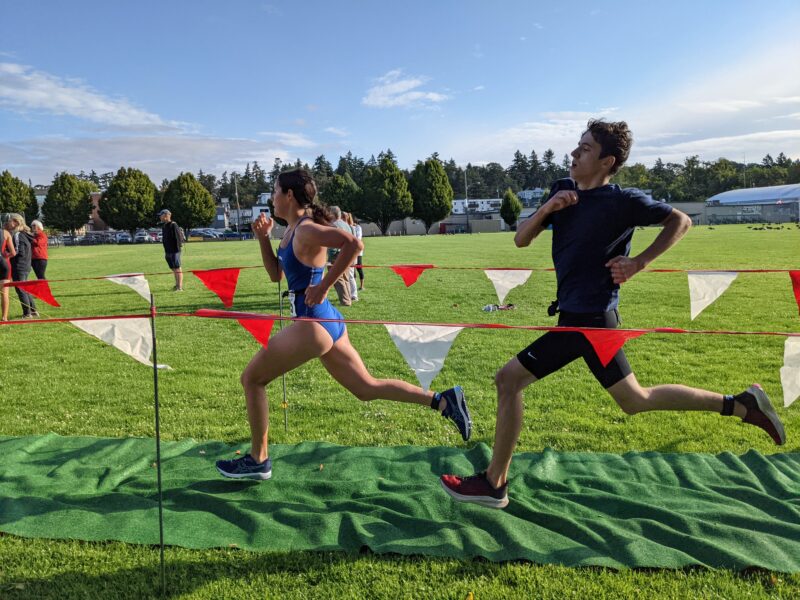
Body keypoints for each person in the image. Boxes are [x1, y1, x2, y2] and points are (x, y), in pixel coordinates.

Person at [441, 119, 786, 509]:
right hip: (578, 318)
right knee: (634, 399)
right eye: (577, 146)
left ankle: (494, 483)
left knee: (508, 380)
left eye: (585, 149)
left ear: (607, 161)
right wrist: (548, 208)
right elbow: (521, 239)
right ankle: (741, 404)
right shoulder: (562, 192)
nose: (574, 154)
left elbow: (681, 220)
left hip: (589, 320)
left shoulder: (624, 202)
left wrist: (639, 262)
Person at [216, 169, 472, 480]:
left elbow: (353, 244)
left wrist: (324, 285)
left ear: (289, 196)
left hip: (313, 323)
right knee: (366, 388)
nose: (271, 197)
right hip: (326, 322)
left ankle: (258, 460)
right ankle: (443, 401)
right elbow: (275, 275)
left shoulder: (307, 229)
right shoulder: (292, 230)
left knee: (252, 379)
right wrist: (261, 239)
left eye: (274, 190)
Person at [4, 213, 37, 318]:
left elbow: (18, 251)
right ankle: (33, 310)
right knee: (24, 288)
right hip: (26, 265)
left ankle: (27, 313)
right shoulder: (24, 233)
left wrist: (8, 254)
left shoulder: (18, 234)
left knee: (20, 289)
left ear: (16, 223)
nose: (8, 223)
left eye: (10, 221)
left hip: (20, 265)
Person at [326, 205, 352, 306]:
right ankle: (348, 297)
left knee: (336, 277)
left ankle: (345, 301)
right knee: (345, 277)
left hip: (337, 254)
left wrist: (330, 256)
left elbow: (332, 243)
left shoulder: (333, 225)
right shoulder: (347, 225)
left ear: (332, 214)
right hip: (348, 254)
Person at [159, 209, 183, 291]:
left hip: (175, 251)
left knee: (177, 268)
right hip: (168, 251)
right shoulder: (164, 226)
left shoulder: (173, 225)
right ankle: (176, 285)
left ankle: (179, 287)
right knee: (173, 269)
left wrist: (177, 251)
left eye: (161, 215)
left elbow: (178, 238)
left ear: (166, 215)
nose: (160, 217)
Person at [1, 219, 17, 321]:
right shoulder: (6, 233)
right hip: (3, 263)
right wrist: (6, 256)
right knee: (4, 292)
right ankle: (4, 317)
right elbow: (14, 253)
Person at [343, 212, 359, 301]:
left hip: (350, 254)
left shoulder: (351, 228)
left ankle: (353, 294)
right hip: (348, 254)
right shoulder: (348, 227)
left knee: (350, 275)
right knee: (347, 276)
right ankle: (349, 294)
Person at [352, 217, 364, 290]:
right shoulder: (349, 227)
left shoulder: (358, 227)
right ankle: (354, 286)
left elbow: (358, 238)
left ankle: (362, 286)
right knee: (352, 269)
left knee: (359, 268)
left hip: (358, 251)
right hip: (351, 251)